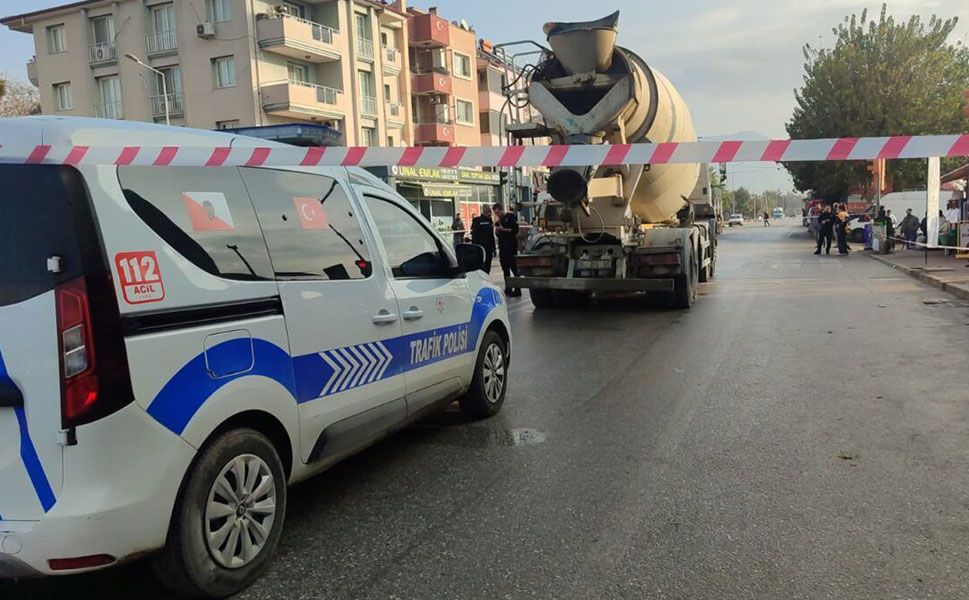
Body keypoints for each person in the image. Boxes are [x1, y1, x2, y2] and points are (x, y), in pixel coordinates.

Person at [493, 203, 522, 297]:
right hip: (502, 247)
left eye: (498, 212)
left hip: (511, 246)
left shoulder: (511, 217)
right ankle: (508, 287)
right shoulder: (499, 221)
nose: (497, 214)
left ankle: (517, 289)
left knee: (514, 268)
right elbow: (498, 234)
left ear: (502, 209)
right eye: (496, 213)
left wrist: (503, 229)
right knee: (505, 268)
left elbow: (514, 230)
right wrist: (497, 231)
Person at [470, 206, 495, 274]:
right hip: (480, 247)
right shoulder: (477, 220)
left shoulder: (490, 220)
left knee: (488, 265)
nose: (489, 213)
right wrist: (475, 247)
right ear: (483, 212)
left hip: (489, 247)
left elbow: (491, 235)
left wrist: (493, 247)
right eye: (487, 212)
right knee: (481, 266)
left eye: (490, 212)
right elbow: (474, 235)